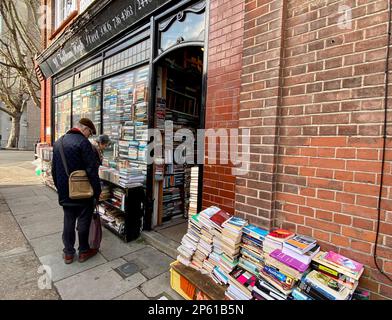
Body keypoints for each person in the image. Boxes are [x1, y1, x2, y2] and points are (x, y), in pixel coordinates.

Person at [52, 118, 102, 264]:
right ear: (84, 129)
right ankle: (83, 252)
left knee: (68, 220)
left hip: (65, 191)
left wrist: (60, 188)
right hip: (82, 192)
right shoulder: (83, 143)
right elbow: (91, 170)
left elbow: (54, 170)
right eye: (90, 132)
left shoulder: (58, 142)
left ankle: (68, 253)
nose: (89, 135)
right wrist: (96, 191)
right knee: (83, 221)